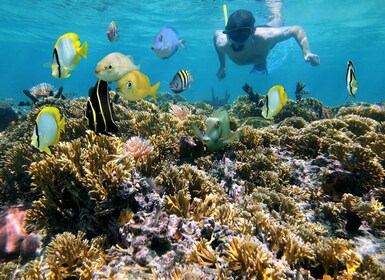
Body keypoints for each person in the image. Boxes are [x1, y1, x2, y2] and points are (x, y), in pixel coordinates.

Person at [214, 2, 320, 79]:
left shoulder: (266, 37)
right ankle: (260, 64)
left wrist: (306, 52)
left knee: (278, 19)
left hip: (265, 36)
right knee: (259, 60)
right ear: (227, 34)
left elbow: (296, 29)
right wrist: (222, 65)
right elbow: (216, 35)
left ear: (252, 33)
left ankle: (274, 6)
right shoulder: (223, 43)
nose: (236, 45)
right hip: (258, 49)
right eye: (233, 39)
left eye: (241, 41)